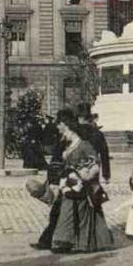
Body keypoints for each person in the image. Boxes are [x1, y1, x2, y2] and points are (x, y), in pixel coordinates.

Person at [50, 109, 113, 254]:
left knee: (83, 214)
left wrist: (85, 176)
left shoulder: (84, 145)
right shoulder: (68, 145)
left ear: (70, 129)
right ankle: (65, 241)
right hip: (70, 184)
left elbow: (95, 164)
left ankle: (81, 244)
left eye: (64, 131)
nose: (62, 134)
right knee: (68, 211)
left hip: (83, 185)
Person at [77, 110, 111, 184]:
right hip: (93, 164)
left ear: (80, 119)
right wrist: (106, 175)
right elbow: (104, 155)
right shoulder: (98, 133)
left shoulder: (74, 133)